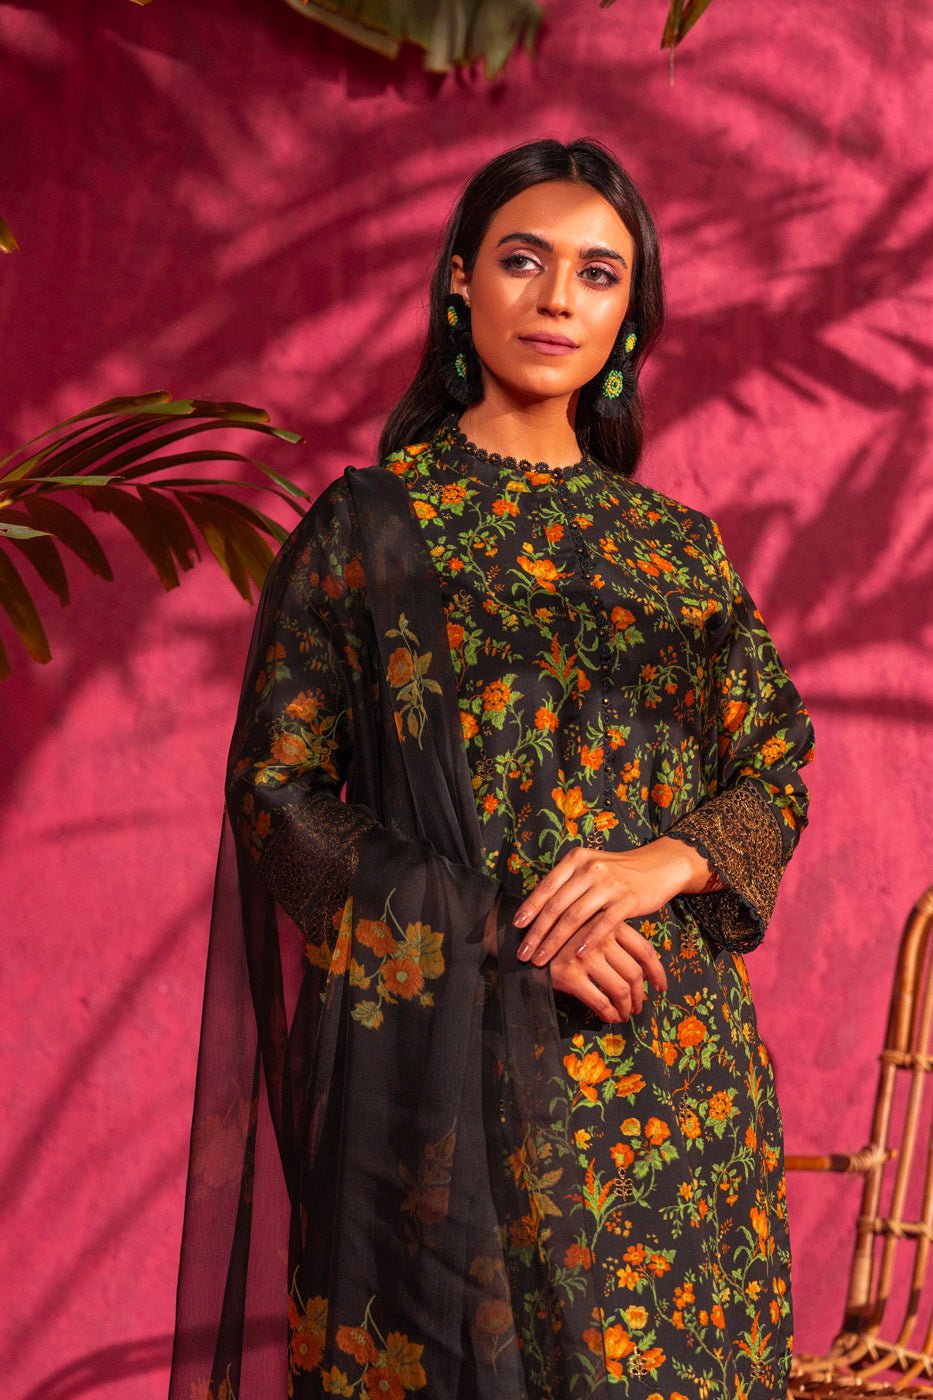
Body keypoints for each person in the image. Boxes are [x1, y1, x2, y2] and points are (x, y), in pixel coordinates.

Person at [168, 137, 816, 1400]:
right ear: (461, 282)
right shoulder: (370, 529)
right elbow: (275, 803)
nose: (559, 297)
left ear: (630, 315)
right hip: (451, 1096)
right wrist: (504, 929)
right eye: (525, 260)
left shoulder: (679, 551)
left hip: (676, 1088)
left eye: (598, 272)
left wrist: (661, 861)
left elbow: (775, 770)